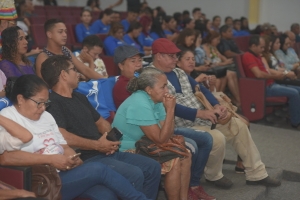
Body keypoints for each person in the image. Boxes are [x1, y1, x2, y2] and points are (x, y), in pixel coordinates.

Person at [150, 38, 282, 189]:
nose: (175, 59)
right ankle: (213, 175)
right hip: (178, 125)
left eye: (176, 56)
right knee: (217, 138)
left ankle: (256, 174)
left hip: (201, 118)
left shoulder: (178, 71)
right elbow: (169, 107)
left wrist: (217, 105)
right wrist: (201, 113)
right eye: (171, 56)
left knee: (238, 126)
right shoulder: (151, 76)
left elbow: (202, 89)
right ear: (159, 56)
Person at [0, 74, 155, 200]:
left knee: (104, 194)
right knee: (99, 169)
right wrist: (51, 159)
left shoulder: (46, 116)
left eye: (45, 103)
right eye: (39, 103)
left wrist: (71, 158)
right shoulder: (8, 118)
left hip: (64, 171)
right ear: (21, 99)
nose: (42, 108)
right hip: (42, 179)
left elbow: (64, 146)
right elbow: (6, 158)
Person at [40, 55, 161, 200]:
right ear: (64, 75)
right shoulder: (52, 103)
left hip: (104, 151)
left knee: (153, 167)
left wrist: (110, 140)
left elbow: (101, 123)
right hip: (86, 158)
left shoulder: (79, 97)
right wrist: (97, 145)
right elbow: (63, 137)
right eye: (73, 69)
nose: (78, 73)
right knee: (135, 173)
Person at [112, 66, 215, 200]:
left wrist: (169, 110)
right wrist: (171, 110)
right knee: (174, 160)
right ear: (149, 90)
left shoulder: (156, 100)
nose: (167, 91)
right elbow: (160, 139)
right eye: (163, 87)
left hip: (145, 142)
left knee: (186, 154)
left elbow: (167, 132)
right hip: (126, 147)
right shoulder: (139, 102)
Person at [242, 35, 300, 128]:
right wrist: (276, 76)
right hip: (264, 87)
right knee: (295, 93)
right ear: (253, 46)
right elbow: (259, 74)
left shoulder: (257, 56)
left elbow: (267, 70)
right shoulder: (248, 56)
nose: (263, 49)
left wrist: (278, 75)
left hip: (271, 84)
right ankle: (296, 122)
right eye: (261, 47)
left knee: (298, 89)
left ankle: (295, 115)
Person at [35, 19, 103, 80]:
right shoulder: (43, 57)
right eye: (60, 32)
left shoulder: (65, 50)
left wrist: (106, 79)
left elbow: (84, 69)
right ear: (49, 34)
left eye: (65, 31)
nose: (65, 35)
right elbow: (43, 85)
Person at [202, 31, 241, 107]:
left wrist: (227, 61)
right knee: (228, 74)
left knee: (233, 73)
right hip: (213, 70)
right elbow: (209, 64)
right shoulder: (204, 48)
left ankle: (238, 99)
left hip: (220, 68)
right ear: (212, 39)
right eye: (217, 39)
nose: (218, 42)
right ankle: (237, 100)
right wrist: (224, 63)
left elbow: (222, 57)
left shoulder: (214, 47)